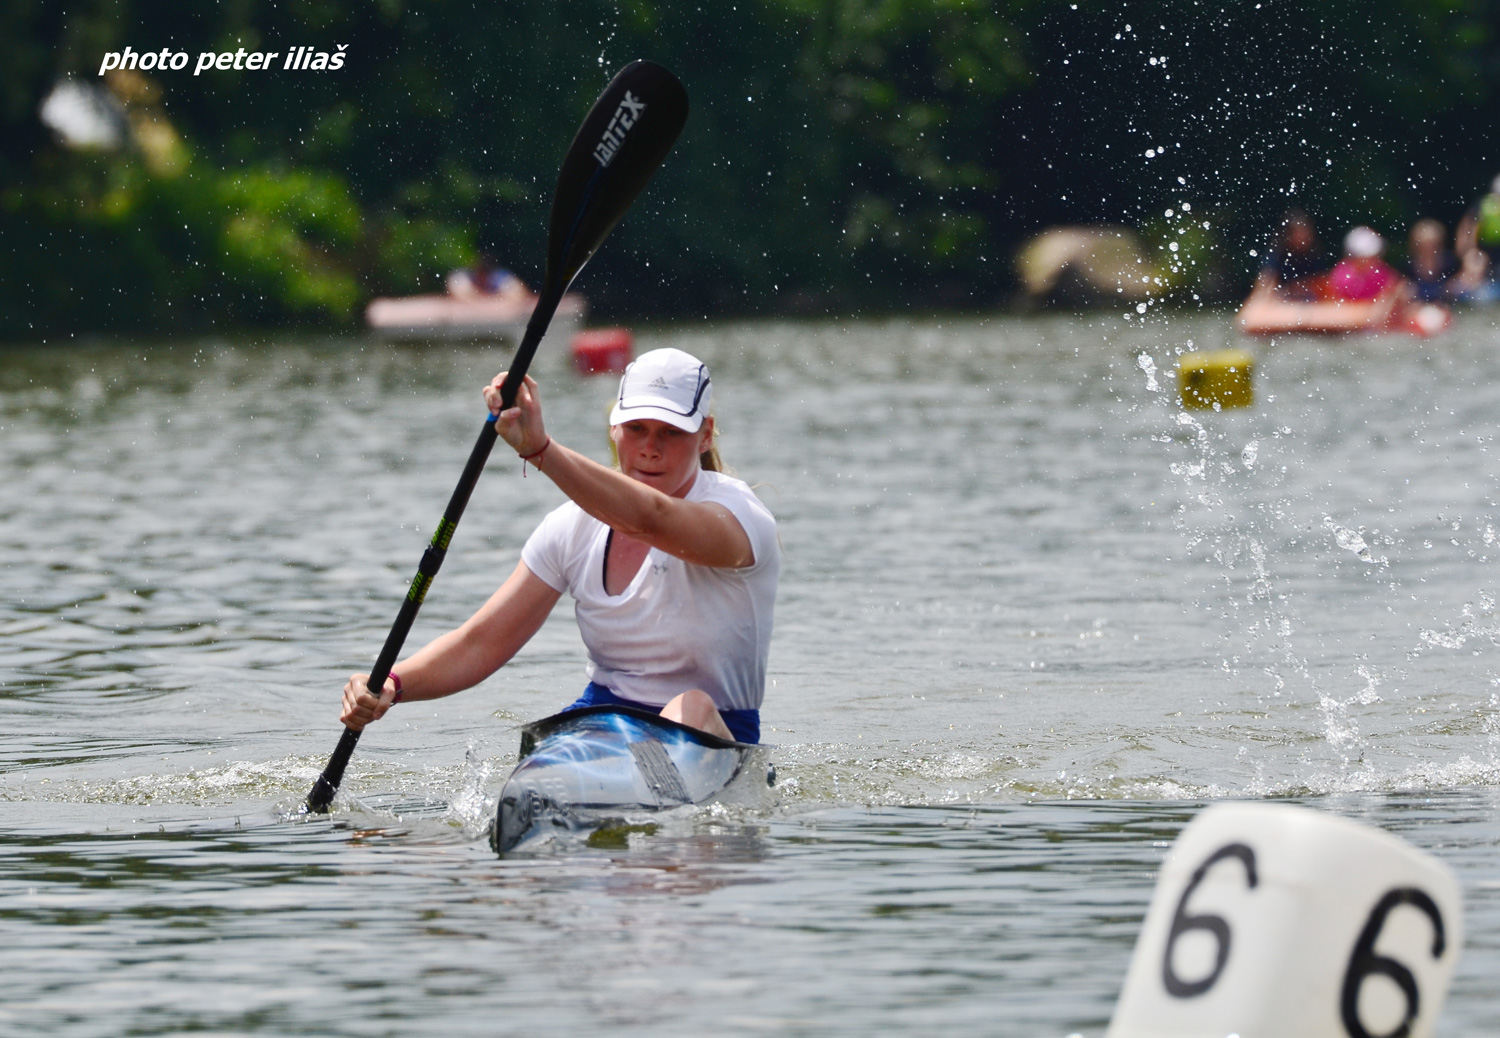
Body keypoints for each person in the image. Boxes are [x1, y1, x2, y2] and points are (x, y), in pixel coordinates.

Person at [339, 348, 780, 745]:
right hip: (604, 722)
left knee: (691, 706)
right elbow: (481, 642)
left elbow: (651, 519)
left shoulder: (740, 516)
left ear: (705, 435)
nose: (650, 448)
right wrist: (391, 685)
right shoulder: (571, 528)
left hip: (712, 736)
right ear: (614, 429)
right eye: (637, 428)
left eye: (672, 432)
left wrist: (541, 451)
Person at [1254, 209, 1330, 300]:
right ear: (1288, 235)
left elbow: (1322, 283)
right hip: (1282, 297)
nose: (1303, 237)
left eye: (1305, 232)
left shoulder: (1315, 254)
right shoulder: (1278, 254)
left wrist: (1300, 288)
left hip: (1310, 298)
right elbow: (1266, 281)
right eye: (1298, 233)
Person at [1327, 226, 1404, 301]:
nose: (1374, 259)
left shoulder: (1381, 273)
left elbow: (1393, 293)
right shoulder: (1341, 275)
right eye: (1368, 257)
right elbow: (1335, 303)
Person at [446, 252, 534, 302]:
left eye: (486, 270)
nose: (482, 274)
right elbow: (458, 293)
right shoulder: (463, 276)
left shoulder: (501, 277)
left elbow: (518, 294)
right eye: (480, 269)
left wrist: (478, 297)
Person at [1405, 219, 1456, 303]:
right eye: (1425, 244)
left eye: (1433, 244)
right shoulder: (1408, 267)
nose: (1429, 248)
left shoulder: (1450, 264)